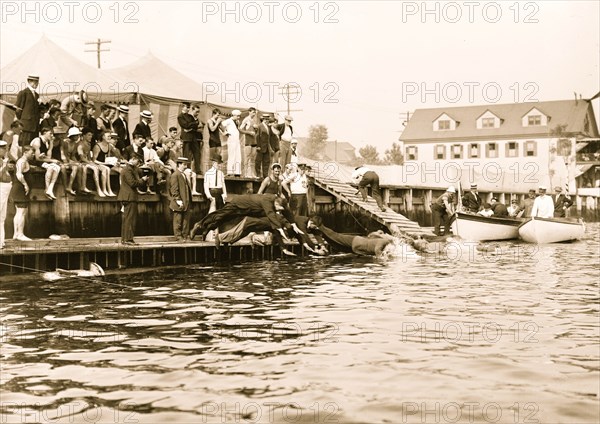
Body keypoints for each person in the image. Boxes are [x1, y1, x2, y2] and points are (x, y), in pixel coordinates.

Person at [190, 194, 301, 241]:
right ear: (276, 203)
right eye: (278, 208)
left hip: (246, 211)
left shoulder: (281, 202)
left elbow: (288, 212)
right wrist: (280, 229)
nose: (278, 211)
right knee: (220, 214)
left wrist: (294, 224)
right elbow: (271, 215)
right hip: (240, 203)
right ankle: (199, 224)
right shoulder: (267, 201)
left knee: (224, 220)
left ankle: (208, 228)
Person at [118, 155, 149, 245]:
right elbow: (132, 183)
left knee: (127, 219)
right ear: (133, 160)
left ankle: (125, 239)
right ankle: (128, 239)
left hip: (127, 197)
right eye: (138, 162)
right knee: (130, 219)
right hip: (129, 197)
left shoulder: (129, 169)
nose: (138, 164)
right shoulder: (128, 169)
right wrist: (142, 180)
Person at [319, 225, 396, 256]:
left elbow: (371, 235)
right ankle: (320, 227)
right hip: (356, 243)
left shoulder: (381, 240)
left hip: (358, 246)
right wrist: (383, 259)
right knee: (336, 237)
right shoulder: (383, 241)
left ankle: (322, 235)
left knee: (337, 244)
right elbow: (377, 250)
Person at [9, 146, 35, 241]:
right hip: (20, 189)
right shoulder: (22, 161)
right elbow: (18, 174)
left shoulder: (23, 161)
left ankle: (16, 234)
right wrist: (25, 185)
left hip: (18, 189)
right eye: (31, 153)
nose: (33, 154)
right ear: (25, 152)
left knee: (19, 212)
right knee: (22, 212)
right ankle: (20, 234)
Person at [30, 127, 61, 200]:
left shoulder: (48, 142)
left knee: (57, 167)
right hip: (34, 161)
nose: (52, 135)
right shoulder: (37, 141)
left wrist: (51, 144)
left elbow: (48, 156)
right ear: (44, 133)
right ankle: (47, 189)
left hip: (43, 161)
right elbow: (37, 158)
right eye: (50, 133)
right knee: (51, 167)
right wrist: (52, 161)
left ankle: (50, 188)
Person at [169, 157, 193, 241]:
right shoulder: (175, 175)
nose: (186, 166)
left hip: (186, 201)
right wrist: (178, 200)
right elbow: (174, 189)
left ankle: (185, 236)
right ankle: (178, 236)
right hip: (178, 202)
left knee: (186, 220)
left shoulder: (183, 174)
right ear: (179, 164)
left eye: (186, 164)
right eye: (184, 164)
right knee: (178, 220)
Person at [14, 74, 40, 147]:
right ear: (29, 81)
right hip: (26, 125)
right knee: (26, 145)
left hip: (35, 125)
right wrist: (23, 121)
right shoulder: (23, 93)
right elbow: (18, 109)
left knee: (35, 145)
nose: (36, 84)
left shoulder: (37, 95)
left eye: (37, 82)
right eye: (34, 82)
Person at [179, 103, 203, 175]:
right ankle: (186, 168)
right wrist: (192, 125)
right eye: (187, 107)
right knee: (186, 154)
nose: (188, 109)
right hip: (186, 138)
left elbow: (196, 125)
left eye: (189, 107)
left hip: (193, 137)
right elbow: (185, 125)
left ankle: (198, 170)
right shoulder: (180, 116)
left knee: (197, 153)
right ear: (183, 107)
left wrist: (191, 126)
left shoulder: (190, 116)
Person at [61, 127, 83, 195]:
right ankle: (69, 186)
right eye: (76, 135)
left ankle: (79, 187)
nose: (78, 137)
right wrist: (73, 162)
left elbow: (72, 155)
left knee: (79, 166)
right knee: (75, 167)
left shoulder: (75, 144)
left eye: (78, 135)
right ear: (72, 136)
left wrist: (76, 162)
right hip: (63, 160)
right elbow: (64, 155)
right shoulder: (65, 142)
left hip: (69, 160)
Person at [0, 140, 14, 248]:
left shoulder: (2, 160)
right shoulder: (2, 161)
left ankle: (1, 241)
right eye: (3, 148)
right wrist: (4, 164)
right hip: (1, 188)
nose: (5, 150)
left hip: (5, 190)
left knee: (2, 217)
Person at [221, 109, 242, 176]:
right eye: (238, 116)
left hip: (236, 140)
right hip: (231, 140)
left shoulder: (237, 121)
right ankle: (230, 172)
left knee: (238, 156)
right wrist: (225, 133)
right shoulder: (228, 121)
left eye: (239, 116)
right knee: (231, 155)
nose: (238, 117)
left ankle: (237, 172)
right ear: (234, 115)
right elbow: (221, 125)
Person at [239, 107, 257, 178]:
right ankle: (245, 173)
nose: (254, 113)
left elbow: (255, 131)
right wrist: (249, 132)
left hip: (254, 141)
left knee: (253, 158)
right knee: (247, 157)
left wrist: (256, 129)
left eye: (255, 112)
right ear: (249, 112)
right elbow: (240, 129)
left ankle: (252, 174)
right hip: (248, 141)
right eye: (253, 112)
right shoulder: (246, 119)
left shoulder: (254, 120)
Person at [255, 114, 272, 179]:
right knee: (258, 161)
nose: (267, 121)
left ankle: (265, 175)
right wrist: (258, 146)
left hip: (267, 147)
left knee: (266, 161)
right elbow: (257, 136)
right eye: (265, 119)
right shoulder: (259, 126)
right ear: (263, 119)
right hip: (261, 147)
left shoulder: (268, 127)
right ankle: (258, 174)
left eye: (267, 119)